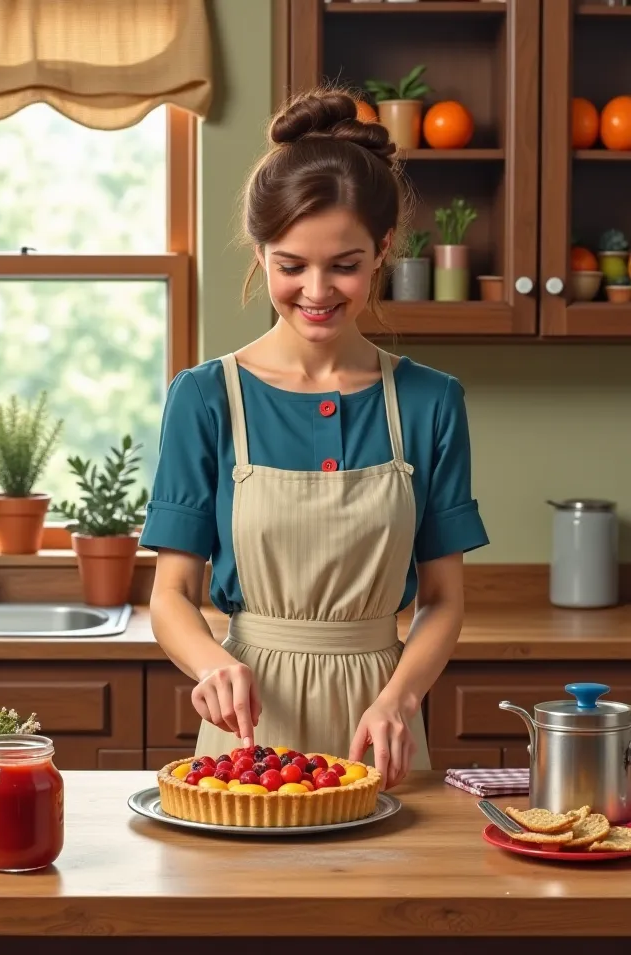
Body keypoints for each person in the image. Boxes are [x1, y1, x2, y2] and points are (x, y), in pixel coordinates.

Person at [140, 89, 489, 789]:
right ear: (261, 251)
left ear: (385, 248)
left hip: (380, 728)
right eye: (291, 265)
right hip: (248, 730)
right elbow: (171, 594)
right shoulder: (206, 397)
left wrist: (400, 697)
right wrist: (213, 664)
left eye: (345, 265)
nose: (317, 290)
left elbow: (444, 599)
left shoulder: (430, 402)